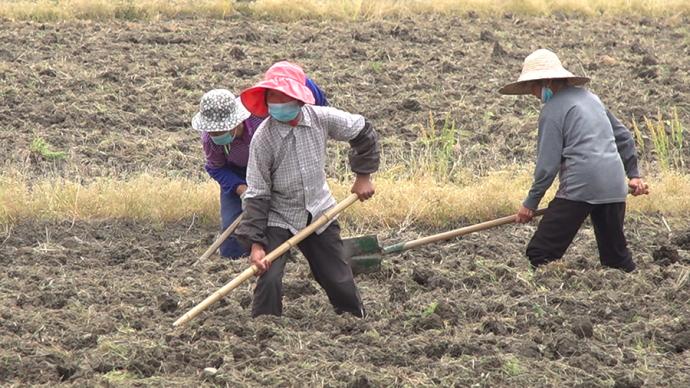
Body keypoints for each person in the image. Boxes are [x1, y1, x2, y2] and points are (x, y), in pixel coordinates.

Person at [235, 61, 380, 318]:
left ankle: (355, 320)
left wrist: (363, 177)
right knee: (269, 277)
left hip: (319, 211)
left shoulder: (321, 118)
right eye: (273, 96)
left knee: (338, 278)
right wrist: (256, 244)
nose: (277, 102)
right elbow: (257, 193)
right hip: (278, 216)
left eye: (284, 96)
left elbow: (363, 130)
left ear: (299, 99)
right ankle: (264, 329)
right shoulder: (263, 139)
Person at [499, 49, 648, 272]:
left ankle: (553, 294)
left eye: (532, 86)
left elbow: (547, 166)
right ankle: (633, 292)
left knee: (540, 252)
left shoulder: (552, 110)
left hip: (581, 186)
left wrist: (530, 203)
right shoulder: (592, 99)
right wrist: (634, 176)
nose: (532, 93)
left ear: (547, 81)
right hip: (614, 185)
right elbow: (624, 137)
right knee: (616, 261)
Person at [191, 80, 328, 259]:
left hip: (274, 168)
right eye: (212, 132)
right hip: (238, 175)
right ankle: (238, 262)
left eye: (220, 130)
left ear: (237, 121)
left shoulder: (259, 119)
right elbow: (216, 168)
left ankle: (279, 252)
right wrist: (242, 190)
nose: (215, 135)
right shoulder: (211, 140)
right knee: (233, 239)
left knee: (277, 219)